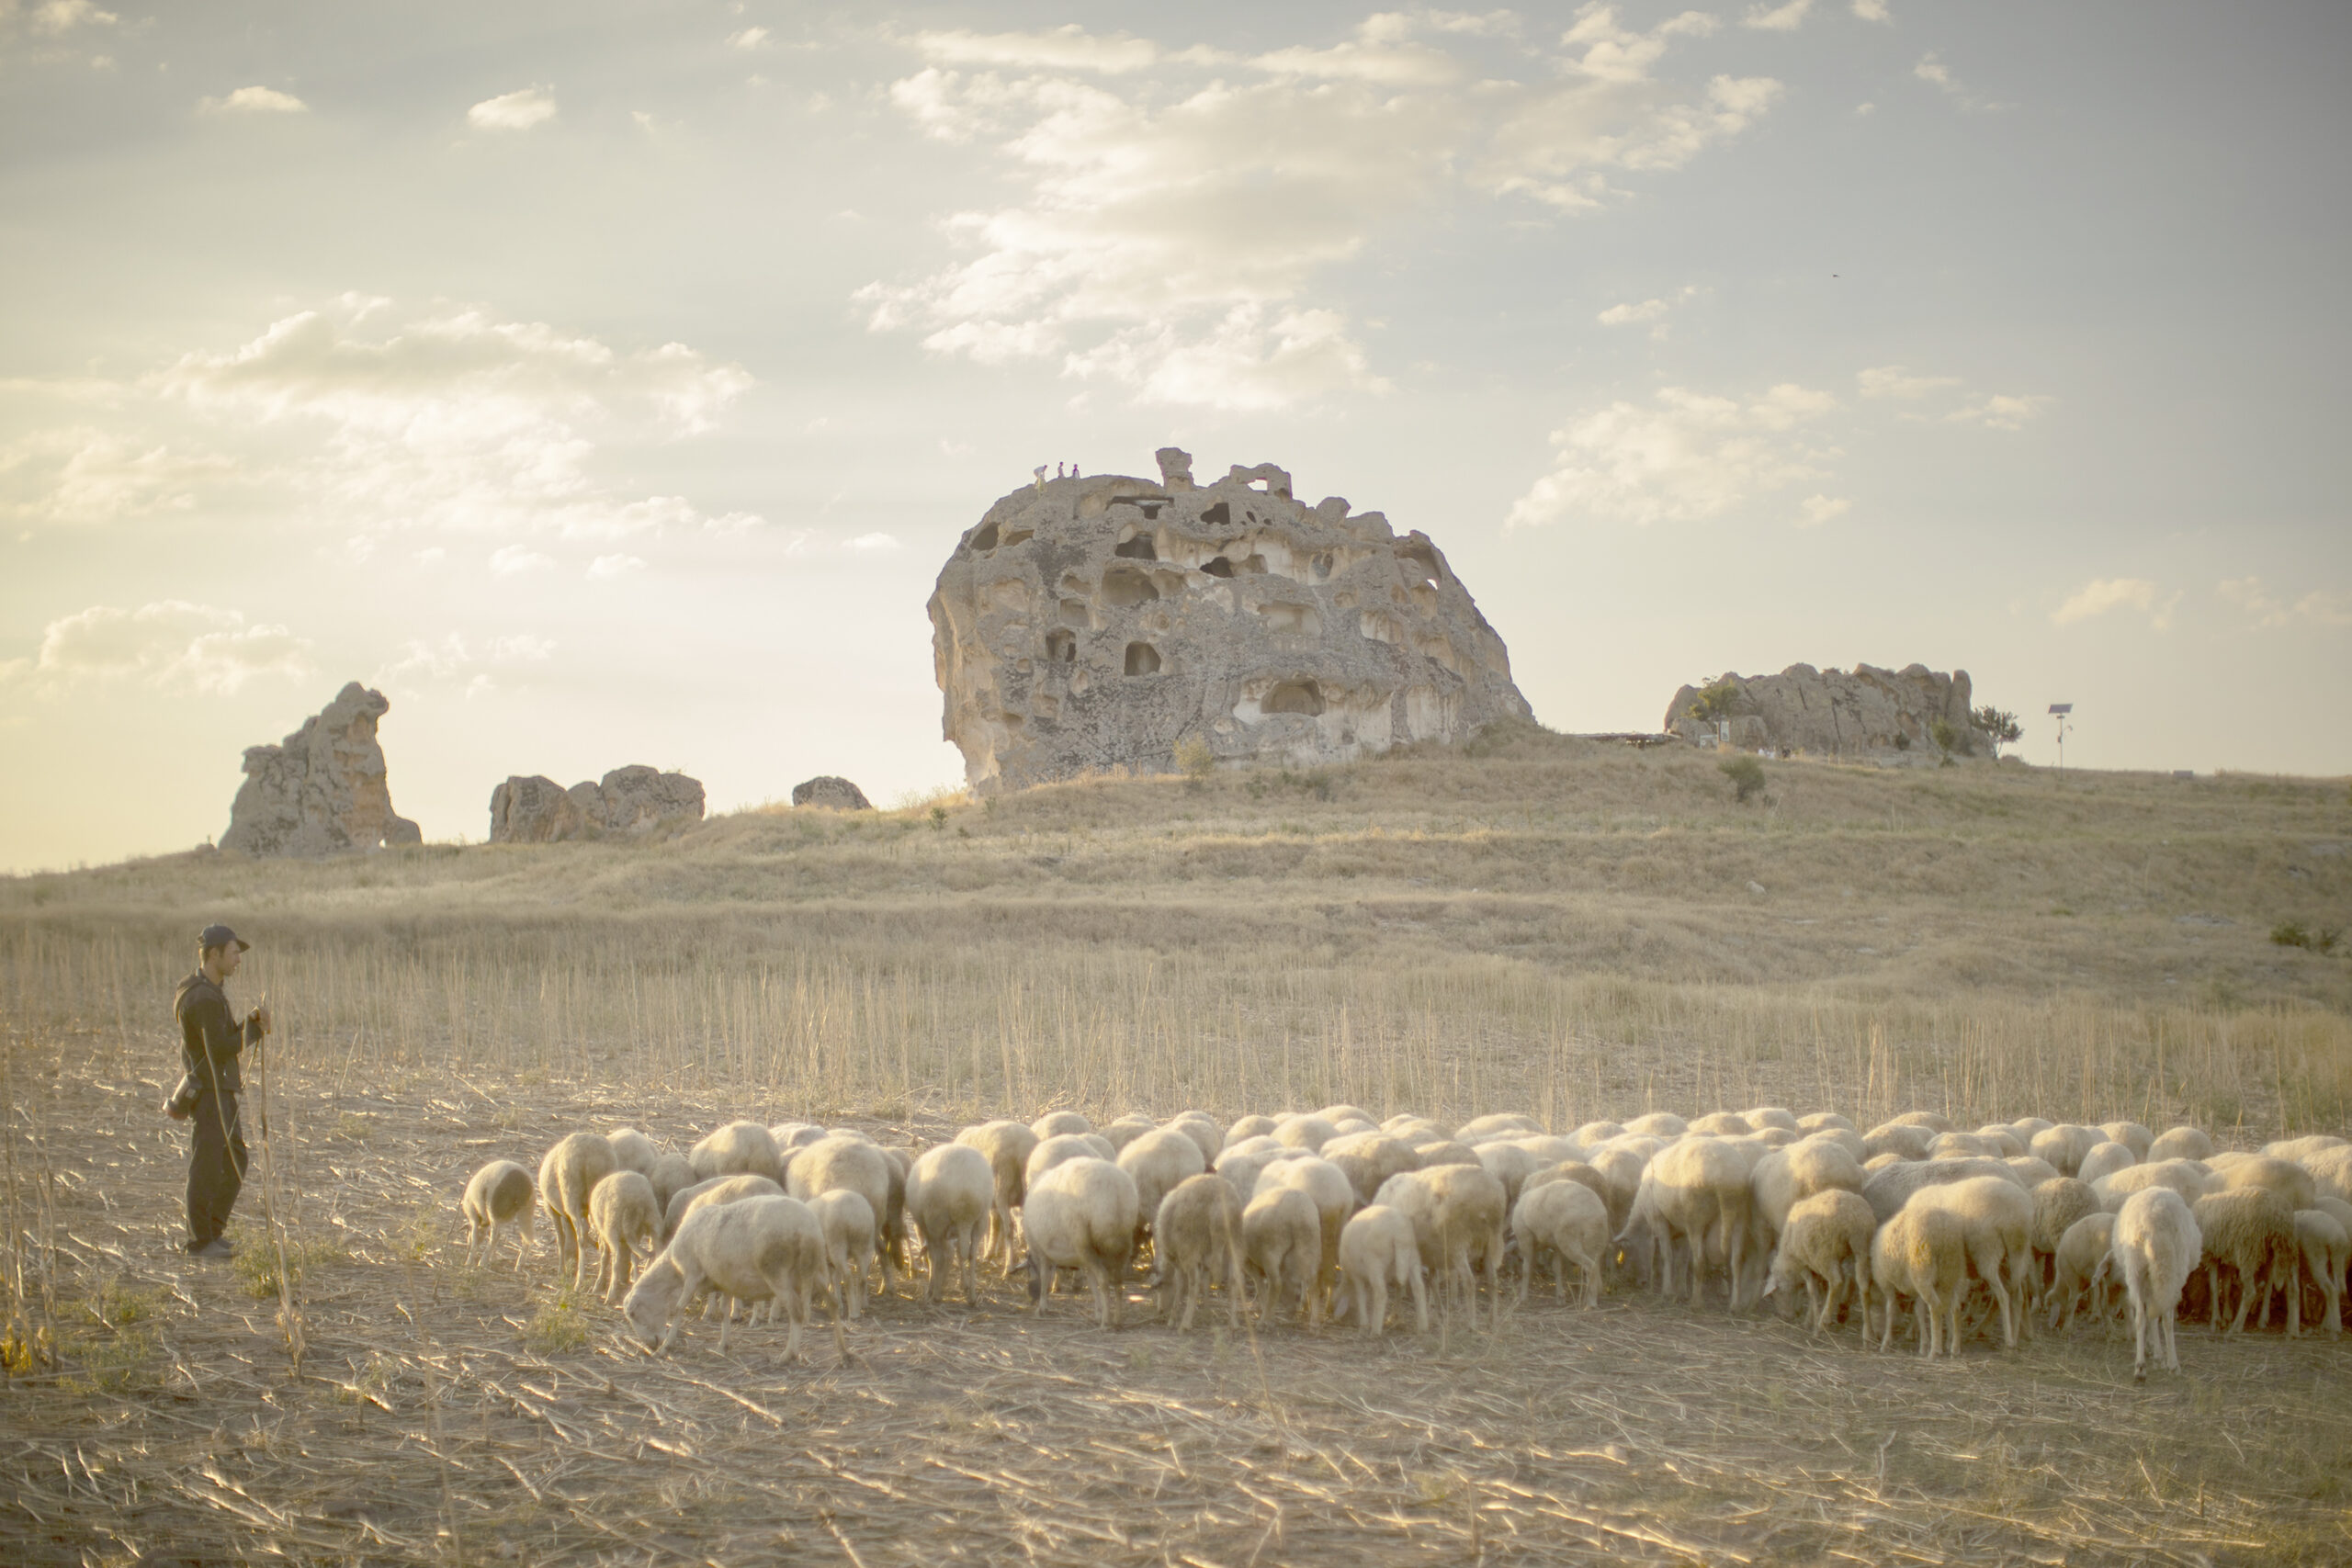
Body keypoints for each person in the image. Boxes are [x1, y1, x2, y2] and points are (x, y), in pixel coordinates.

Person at [171, 924, 271, 1258]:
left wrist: (251, 1023)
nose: (238, 959)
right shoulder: (201, 997)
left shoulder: (207, 990)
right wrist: (254, 1029)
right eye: (233, 953)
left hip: (220, 1089)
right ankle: (200, 1241)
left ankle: (211, 1233)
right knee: (207, 1165)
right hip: (211, 1091)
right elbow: (219, 1049)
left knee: (233, 1159)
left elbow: (222, 1041)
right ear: (213, 955)